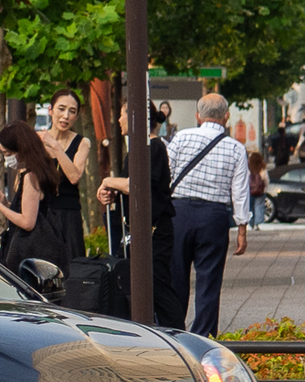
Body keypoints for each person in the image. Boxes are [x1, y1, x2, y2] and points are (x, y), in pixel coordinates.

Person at [165, 93, 254, 336]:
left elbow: (165, 174)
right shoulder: (236, 148)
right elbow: (240, 190)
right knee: (209, 282)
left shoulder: (180, 138)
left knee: (175, 279)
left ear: (198, 116)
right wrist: (242, 228)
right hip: (213, 217)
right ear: (226, 116)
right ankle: (203, 336)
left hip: (178, 213)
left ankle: (172, 333)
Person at [96, 98, 182, 326]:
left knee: (157, 284)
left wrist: (108, 181)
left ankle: (176, 331)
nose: (119, 120)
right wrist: (112, 193)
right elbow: (128, 188)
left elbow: (136, 185)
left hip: (155, 229)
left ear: (136, 118)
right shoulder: (135, 150)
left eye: (123, 114)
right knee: (140, 284)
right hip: (137, 229)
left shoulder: (154, 147)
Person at [0, 119, 77, 273]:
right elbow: (33, 210)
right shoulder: (41, 169)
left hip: (28, 255)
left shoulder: (31, 176)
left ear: (22, 150)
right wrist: (5, 203)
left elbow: (27, 222)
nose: (7, 159)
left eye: (8, 154)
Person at [40, 91, 93, 190]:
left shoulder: (82, 143)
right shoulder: (36, 140)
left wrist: (55, 145)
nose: (66, 116)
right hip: (38, 203)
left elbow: (74, 177)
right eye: (61, 109)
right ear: (50, 110)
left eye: (72, 111)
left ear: (77, 117)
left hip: (67, 203)